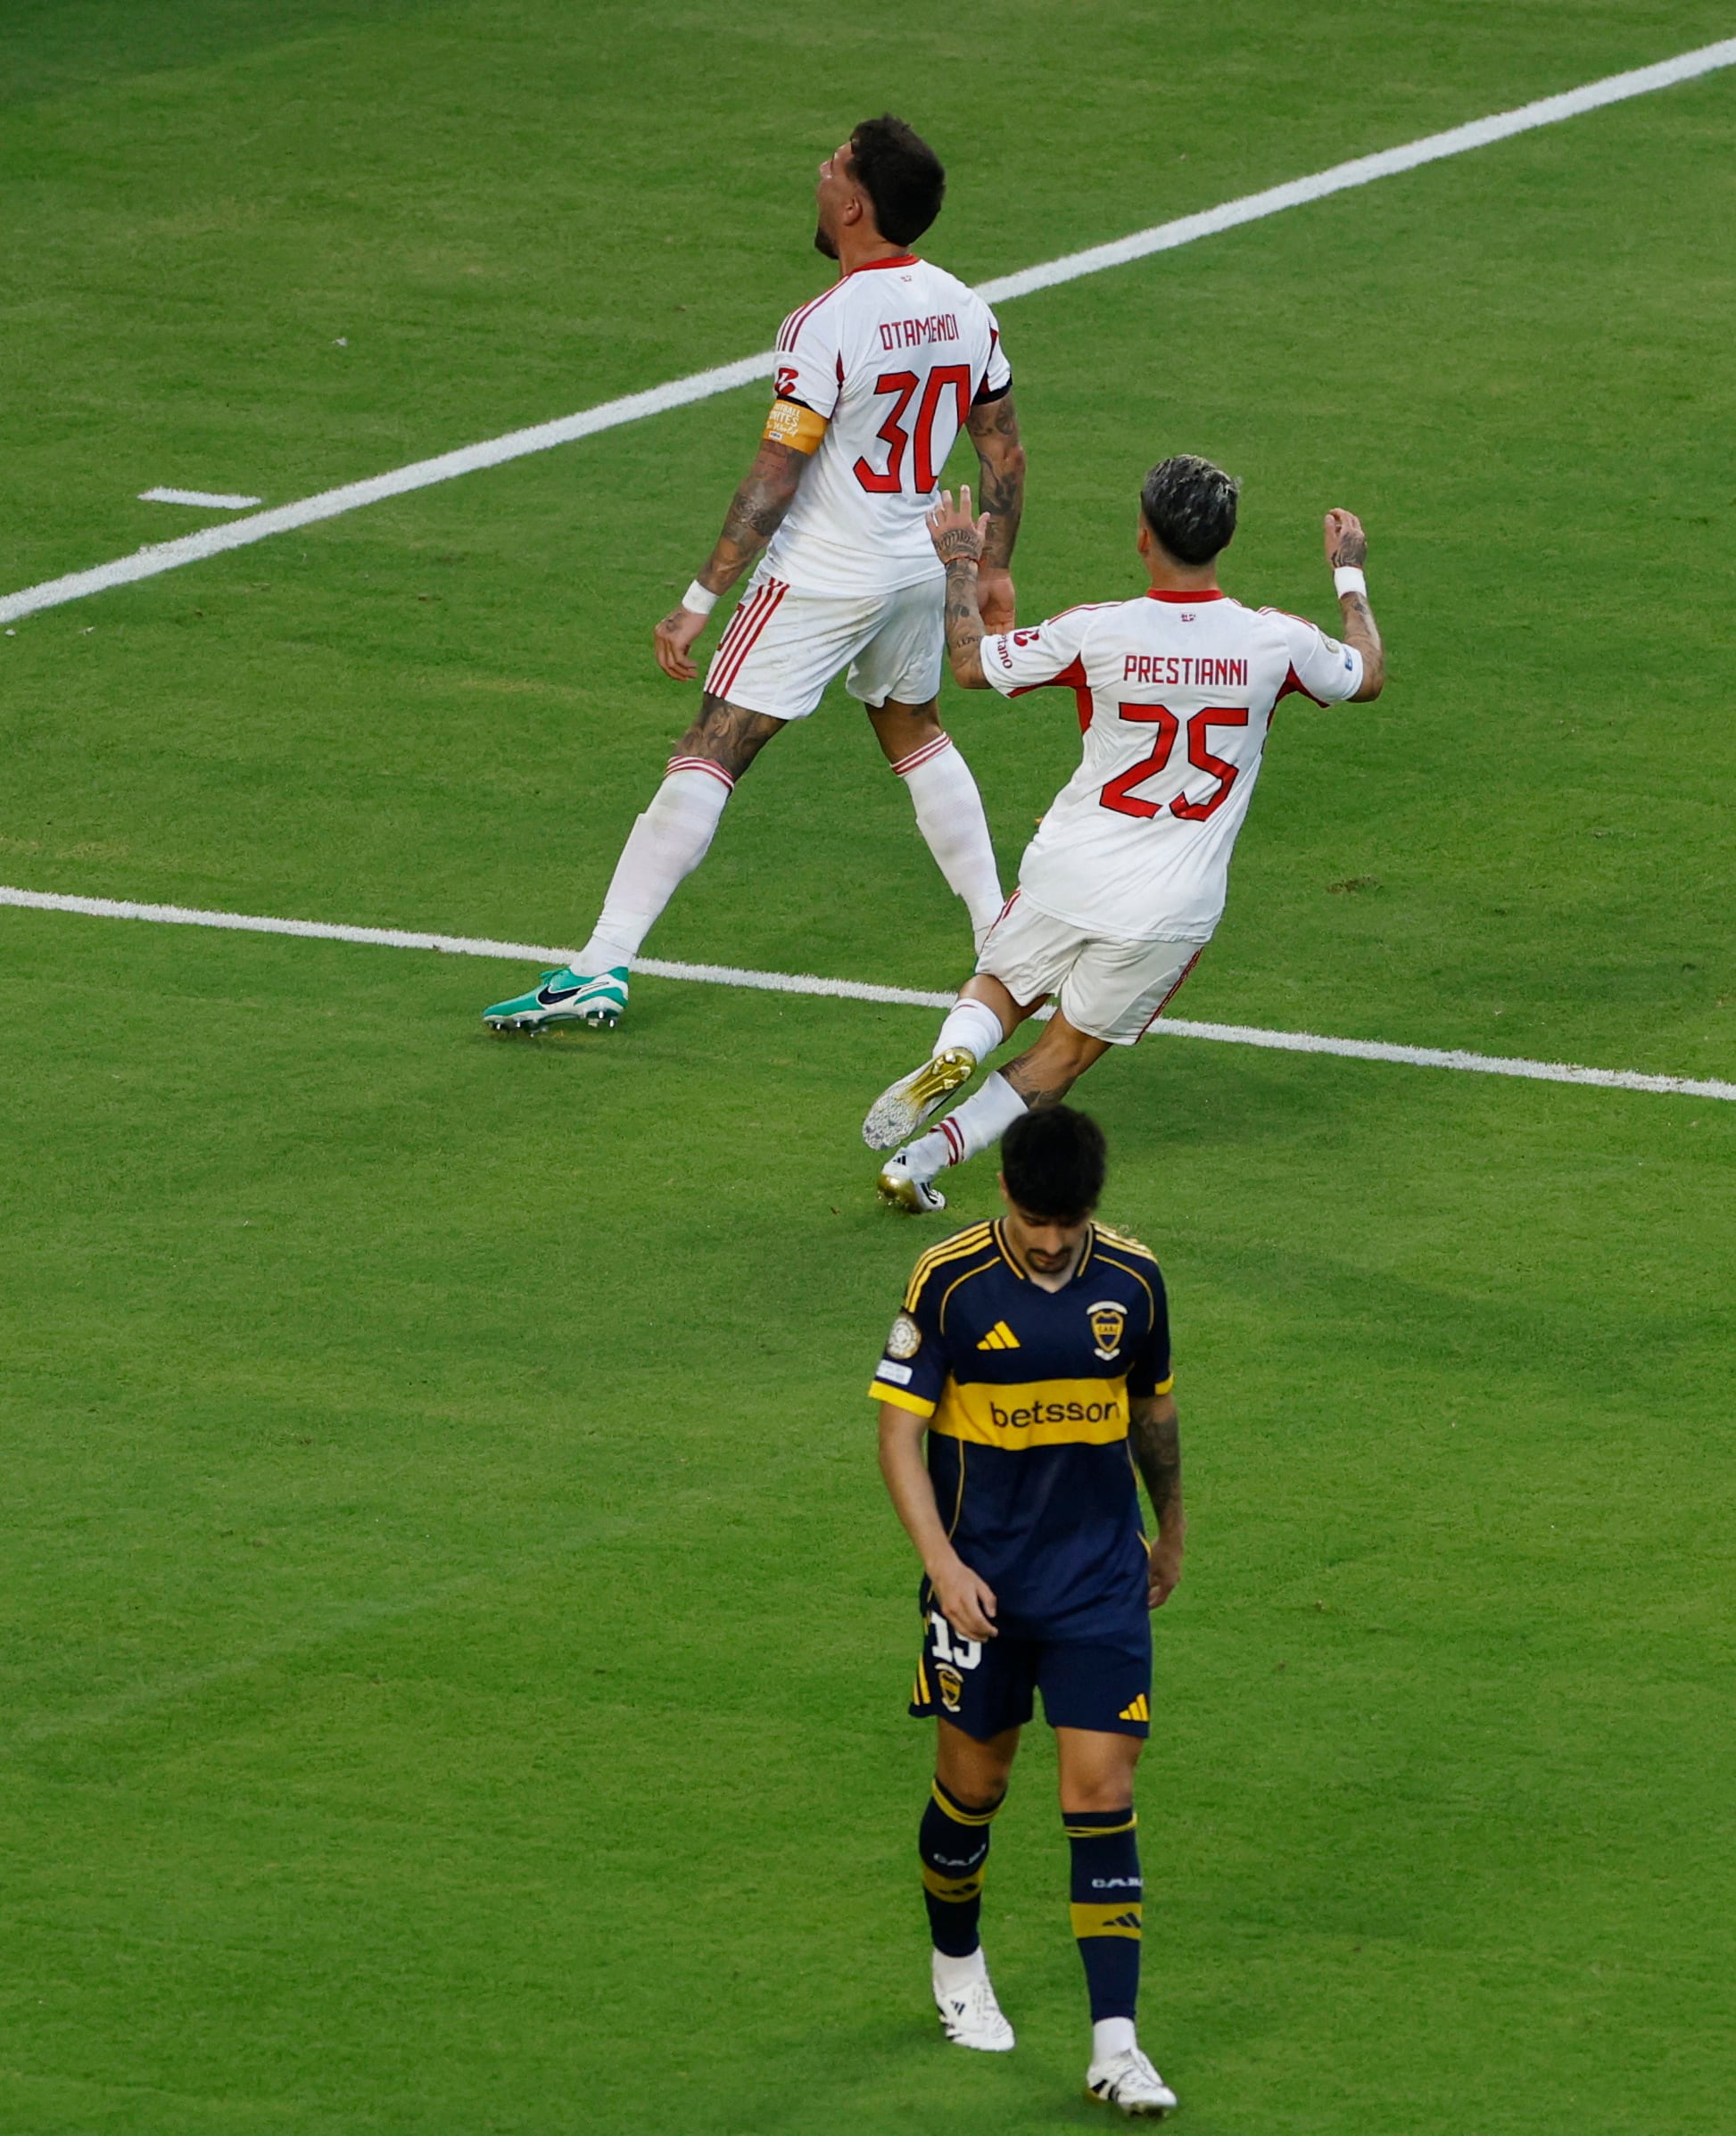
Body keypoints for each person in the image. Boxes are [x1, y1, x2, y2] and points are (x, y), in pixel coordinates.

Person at [484, 115, 1026, 1032]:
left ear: (853, 205)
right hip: (914, 562)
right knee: (913, 731)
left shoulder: (824, 324)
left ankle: (600, 963)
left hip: (820, 573)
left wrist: (700, 599)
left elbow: (775, 476)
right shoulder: (966, 308)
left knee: (709, 750)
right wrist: (991, 570)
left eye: (831, 167)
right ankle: (999, 935)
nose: (817, 175)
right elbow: (1001, 448)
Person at [864, 453, 1385, 1210]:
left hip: (1069, 866)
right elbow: (1366, 674)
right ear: (1225, 543)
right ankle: (919, 1163)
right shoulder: (1277, 642)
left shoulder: (1096, 632)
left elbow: (972, 663)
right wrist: (1349, 576)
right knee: (1065, 1051)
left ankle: (954, 1053)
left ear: (1143, 536)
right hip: (1169, 905)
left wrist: (959, 560)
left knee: (1003, 986)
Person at [872, 1106, 1183, 2115]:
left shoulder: (1132, 1281)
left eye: (1069, 1225)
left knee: (1099, 1793)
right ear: (1002, 1193)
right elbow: (895, 1438)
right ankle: (955, 1970)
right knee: (974, 1788)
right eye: (1035, 1223)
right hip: (985, 1586)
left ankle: (1115, 2047)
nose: (1051, 1244)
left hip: (1096, 1578)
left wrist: (1169, 1528)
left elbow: (1151, 1410)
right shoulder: (947, 1281)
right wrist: (941, 1565)